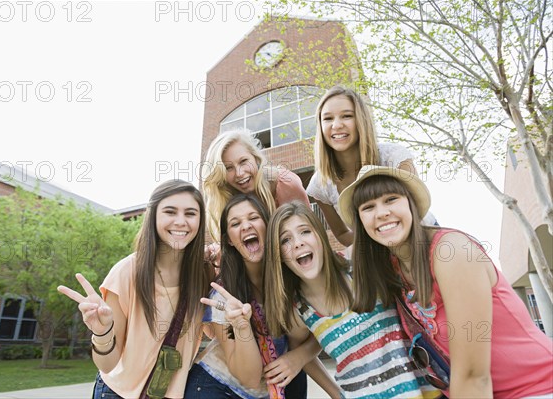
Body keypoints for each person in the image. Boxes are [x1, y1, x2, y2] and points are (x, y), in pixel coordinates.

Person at [338, 165, 553, 398]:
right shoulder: (392, 270)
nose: (381, 213)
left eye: (391, 199)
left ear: (411, 204)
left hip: (537, 387)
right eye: (368, 207)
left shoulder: (451, 251)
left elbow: (474, 376)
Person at [264, 201, 441, 398]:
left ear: (320, 236)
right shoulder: (299, 311)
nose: (297, 243)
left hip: (426, 391)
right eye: (285, 240)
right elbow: (299, 348)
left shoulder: (357, 261)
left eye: (305, 231)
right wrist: (336, 394)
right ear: (278, 255)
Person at [57, 180, 214, 399]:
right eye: (170, 211)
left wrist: (228, 269)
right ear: (154, 217)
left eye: (190, 213)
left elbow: (215, 334)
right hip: (116, 392)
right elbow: (108, 364)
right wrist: (102, 332)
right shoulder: (126, 272)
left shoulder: (205, 275)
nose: (181, 222)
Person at [185, 194, 340, 399]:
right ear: (229, 240)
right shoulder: (223, 297)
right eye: (235, 223)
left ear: (269, 227)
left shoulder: (294, 277)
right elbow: (248, 377)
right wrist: (241, 326)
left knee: (296, 375)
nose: (246, 226)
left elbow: (319, 331)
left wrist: (299, 358)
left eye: (253, 217)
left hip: (275, 383)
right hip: (217, 387)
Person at [306, 85, 436, 248]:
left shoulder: (395, 158)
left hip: (421, 240)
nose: (337, 125)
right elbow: (342, 234)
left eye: (346, 116)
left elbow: (417, 210)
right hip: (375, 253)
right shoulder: (320, 184)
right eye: (328, 118)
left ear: (361, 120)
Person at [202, 129, 310, 243]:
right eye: (228, 168)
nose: (239, 173)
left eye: (243, 161)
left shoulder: (286, 184)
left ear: (256, 158)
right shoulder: (227, 197)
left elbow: (308, 232)